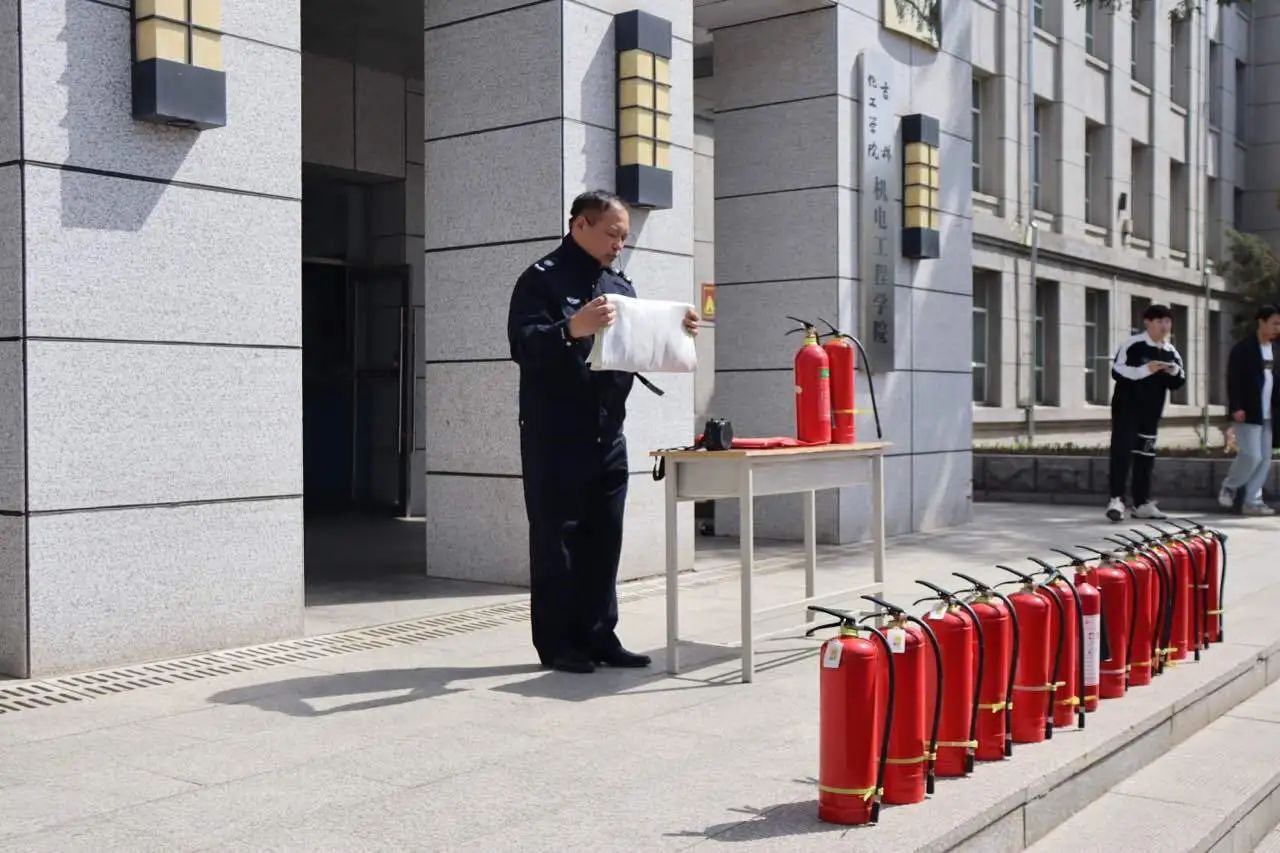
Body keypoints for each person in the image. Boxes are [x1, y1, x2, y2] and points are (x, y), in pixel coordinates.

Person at [507, 190, 699, 674]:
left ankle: (599, 635)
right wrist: (570, 328)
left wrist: (677, 330)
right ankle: (558, 644)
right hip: (555, 433)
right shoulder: (541, 279)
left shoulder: (619, 284)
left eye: (624, 237)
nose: (619, 244)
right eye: (612, 234)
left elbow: (637, 348)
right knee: (557, 540)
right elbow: (523, 345)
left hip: (607, 432)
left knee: (604, 537)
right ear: (581, 225)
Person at [1106, 304, 1186, 522]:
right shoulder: (1133, 345)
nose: (1164, 326)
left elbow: (1179, 381)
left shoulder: (1170, 351)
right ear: (1147, 322)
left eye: (1167, 322)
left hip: (1152, 412)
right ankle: (1116, 500)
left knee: (1145, 456)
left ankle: (1141, 503)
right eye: (1159, 321)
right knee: (1122, 453)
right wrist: (1145, 370)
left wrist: (1173, 370)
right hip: (1127, 409)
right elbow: (1117, 371)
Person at [1218, 305, 1280, 515]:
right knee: (1252, 455)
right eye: (1274, 323)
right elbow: (1233, 379)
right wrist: (1236, 406)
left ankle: (1252, 501)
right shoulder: (1243, 349)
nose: (1277, 328)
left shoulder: (1276, 349)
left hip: (1269, 414)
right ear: (1261, 322)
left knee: (1264, 459)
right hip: (1248, 412)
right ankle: (1230, 486)